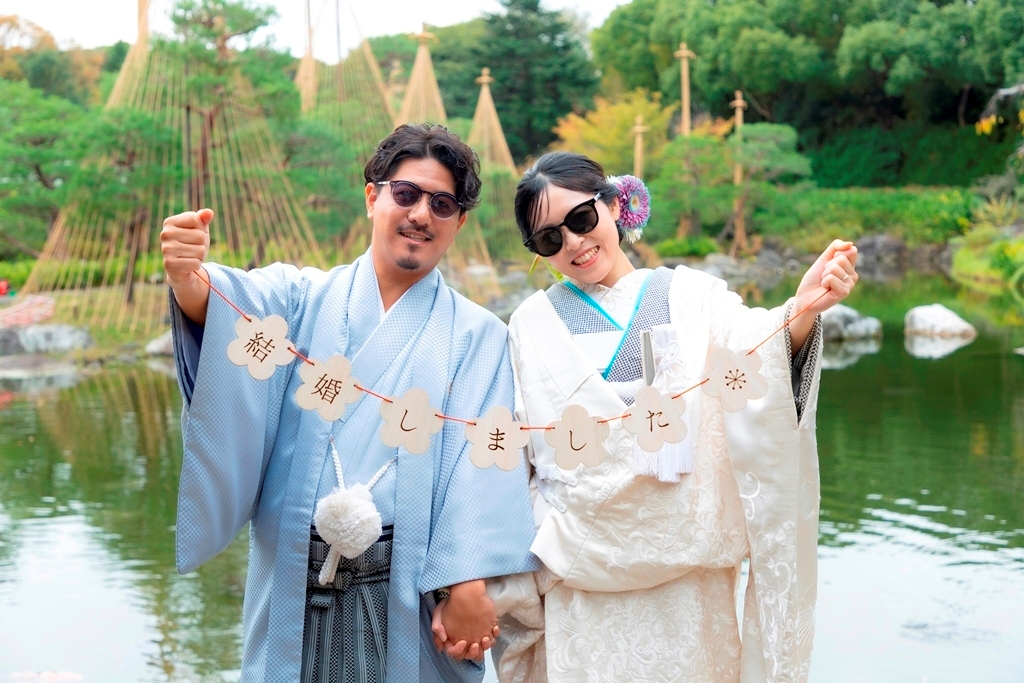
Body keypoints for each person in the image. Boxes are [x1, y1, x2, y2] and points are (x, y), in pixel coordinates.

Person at [160, 123, 538, 683]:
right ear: (372, 197)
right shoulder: (300, 298)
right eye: (405, 194)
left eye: (442, 204)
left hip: (410, 587)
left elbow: (481, 468)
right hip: (296, 572)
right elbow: (225, 309)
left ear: (458, 222)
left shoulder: (477, 335)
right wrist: (186, 276)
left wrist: (466, 582)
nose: (420, 214)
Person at [486, 152, 858, 682]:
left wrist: (802, 308)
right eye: (549, 239)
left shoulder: (692, 297)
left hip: (688, 582)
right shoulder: (529, 323)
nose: (573, 242)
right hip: (582, 580)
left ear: (615, 206)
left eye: (582, 219)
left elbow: (756, 361)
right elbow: (519, 454)